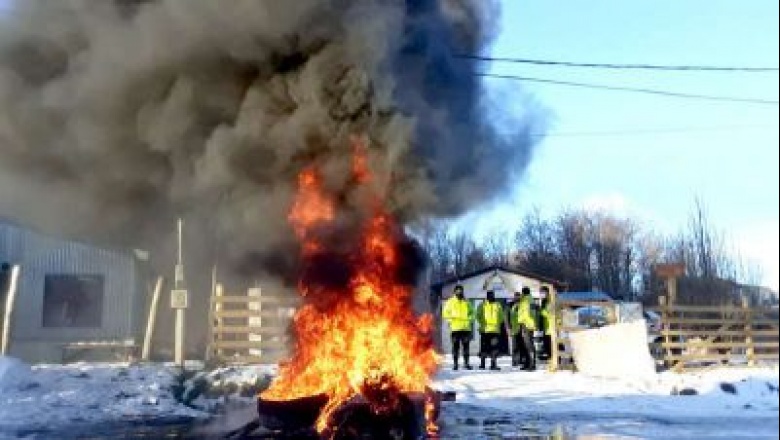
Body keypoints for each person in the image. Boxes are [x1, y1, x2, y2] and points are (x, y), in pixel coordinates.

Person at [442, 285, 475, 371]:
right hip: (455, 329)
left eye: (461, 290)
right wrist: (450, 320)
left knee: (466, 347)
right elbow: (445, 313)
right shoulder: (450, 302)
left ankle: (466, 364)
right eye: (457, 290)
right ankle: (455, 364)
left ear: (463, 291)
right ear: (455, 291)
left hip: (465, 328)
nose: (459, 292)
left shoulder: (466, 301)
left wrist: (470, 319)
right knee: (455, 347)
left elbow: (472, 312)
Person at [476, 290, 504, 371]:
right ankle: (482, 364)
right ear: (487, 296)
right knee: (483, 347)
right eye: (489, 295)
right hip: (484, 330)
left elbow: (501, 317)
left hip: (495, 330)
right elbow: (478, 315)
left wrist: (497, 323)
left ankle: (493, 364)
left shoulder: (498, 305)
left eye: (492, 295)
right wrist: (483, 323)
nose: (491, 297)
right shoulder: (482, 305)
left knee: (494, 348)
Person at [510, 287, 536, 371]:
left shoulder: (527, 300)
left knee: (529, 345)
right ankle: (527, 363)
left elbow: (530, 313)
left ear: (523, 293)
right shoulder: (526, 300)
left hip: (527, 324)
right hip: (525, 324)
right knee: (526, 345)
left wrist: (525, 320)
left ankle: (532, 364)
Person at [539, 286, 553, 361]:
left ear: (547, 292)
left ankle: (553, 358)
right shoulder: (544, 301)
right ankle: (550, 357)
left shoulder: (550, 301)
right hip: (546, 326)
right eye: (541, 293)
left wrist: (541, 311)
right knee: (546, 343)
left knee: (550, 343)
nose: (541, 295)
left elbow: (550, 314)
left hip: (551, 326)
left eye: (543, 293)